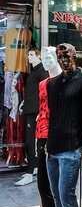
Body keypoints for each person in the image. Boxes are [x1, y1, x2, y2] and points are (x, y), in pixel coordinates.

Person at [46, 43, 82, 207]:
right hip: (52, 149)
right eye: (59, 57)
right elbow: (52, 115)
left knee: (66, 196)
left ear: (74, 56)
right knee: (56, 195)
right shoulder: (52, 84)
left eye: (66, 56)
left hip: (71, 149)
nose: (62, 60)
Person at [36, 47, 62, 207]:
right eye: (43, 59)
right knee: (43, 180)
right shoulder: (43, 83)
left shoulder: (66, 81)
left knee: (62, 183)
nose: (45, 62)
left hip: (60, 134)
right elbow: (42, 108)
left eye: (49, 58)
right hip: (42, 133)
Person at [15, 48, 48, 186]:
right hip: (29, 110)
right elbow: (33, 92)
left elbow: (45, 94)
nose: (28, 57)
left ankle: (29, 174)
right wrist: (24, 102)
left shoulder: (42, 71)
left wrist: (41, 112)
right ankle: (33, 168)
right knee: (30, 141)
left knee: (31, 142)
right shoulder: (34, 71)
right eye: (28, 55)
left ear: (39, 56)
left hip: (35, 112)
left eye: (31, 55)